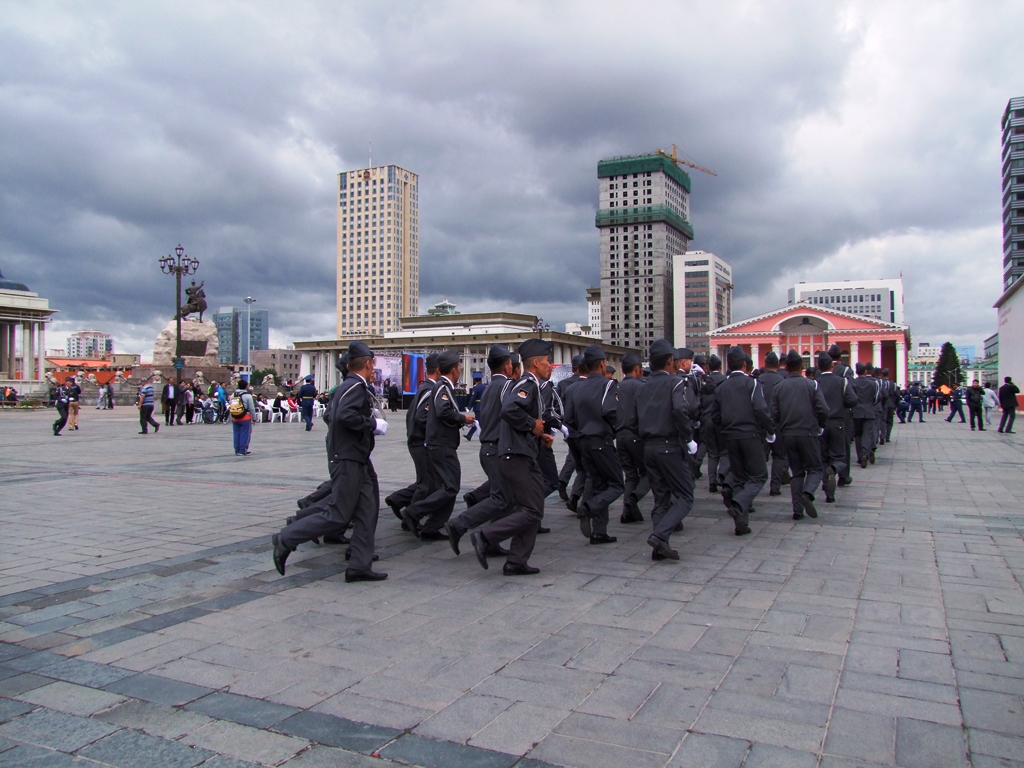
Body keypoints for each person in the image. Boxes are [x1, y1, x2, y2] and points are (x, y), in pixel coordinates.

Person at [273, 340, 389, 582]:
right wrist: (372, 424)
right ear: (368, 364)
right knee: (339, 514)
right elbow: (343, 415)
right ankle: (287, 537)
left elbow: (332, 415)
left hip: (356, 456)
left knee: (368, 509)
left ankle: (359, 564)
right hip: (347, 458)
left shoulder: (349, 386)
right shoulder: (355, 386)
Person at [469, 338, 554, 576]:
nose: (550, 365)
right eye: (547, 361)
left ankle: (516, 561)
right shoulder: (526, 383)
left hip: (523, 452)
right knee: (532, 510)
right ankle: (485, 536)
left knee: (533, 508)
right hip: (516, 456)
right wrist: (532, 424)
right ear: (536, 363)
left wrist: (538, 434)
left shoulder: (530, 384)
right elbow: (510, 410)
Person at [446, 345, 518, 557]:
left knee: (506, 498)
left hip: (488, 448)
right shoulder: (506, 387)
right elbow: (512, 413)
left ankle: (492, 540)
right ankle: (459, 524)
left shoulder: (486, 388)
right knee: (502, 499)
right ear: (507, 366)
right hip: (497, 449)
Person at [633, 339, 696, 560]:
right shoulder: (675, 383)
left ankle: (659, 547)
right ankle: (660, 536)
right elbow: (680, 409)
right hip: (669, 445)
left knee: (661, 498)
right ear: (670, 361)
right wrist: (687, 437)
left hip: (648, 447)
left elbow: (634, 419)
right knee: (685, 496)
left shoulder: (642, 386)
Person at [402, 350, 475, 540]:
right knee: (450, 487)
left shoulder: (444, 386)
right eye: (459, 367)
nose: (460, 370)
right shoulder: (442, 387)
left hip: (443, 444)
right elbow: (442, 411)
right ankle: (414, 511)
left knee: (451, 487)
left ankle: (431, 528)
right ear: (453, 369)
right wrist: (462, 418)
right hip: (441, 444)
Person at [563, 344, 622, 545]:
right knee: (616, 484)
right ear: (603, 364)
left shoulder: (575, 388)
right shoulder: (608, 385)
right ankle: (588, 508)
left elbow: (568, 418)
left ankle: (599, 532)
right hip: (601, 441)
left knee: (598, 483)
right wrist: (615, 429)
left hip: (583, 443)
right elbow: (610, 411)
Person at [711, 346, 774, 536]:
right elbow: (761, 409)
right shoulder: (752, 384)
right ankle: (738, 504)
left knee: (739, 479)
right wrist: (769, 430)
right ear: (745, 364)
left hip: (731, 437)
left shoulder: (721, 387)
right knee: (759, 475)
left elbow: (715, 416)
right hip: (750, 434)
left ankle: (741, 522)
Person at [769, 351, 830, 520]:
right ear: (802, 367)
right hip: (808, 432)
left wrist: (780, 427)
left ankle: (797, 510)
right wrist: (821, 425)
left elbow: (773, 414)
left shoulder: (779, 387)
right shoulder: (812, 385)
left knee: (797, 472)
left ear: (786, 367)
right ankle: (808, 493)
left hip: (788, 434)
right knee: (815, 469)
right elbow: (823, 409)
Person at [385, 354, 439, 521]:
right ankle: (411, 517)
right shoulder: (430, 389)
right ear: (438, 370)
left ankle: (398, 499)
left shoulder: (423, 388)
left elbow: (411, 414)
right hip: (421, 442)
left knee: (425, 480)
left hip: (416, 440)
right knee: (427, 484)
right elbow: (421, 417)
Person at [815, 352, 857, 503]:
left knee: (824, 458)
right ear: (833, 366)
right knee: (839, 456)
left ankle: (828, 492)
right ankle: (834, 470)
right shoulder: (842, 381)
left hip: (821, 424)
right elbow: (853, 400)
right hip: (838, 423)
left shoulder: (815, 382)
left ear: (818, 367)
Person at [615, 352, 649, 524]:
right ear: (637, 369)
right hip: (636, 436)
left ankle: (628, 513)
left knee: (630, 475)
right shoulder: (641, 387)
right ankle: (633, 498)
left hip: (620, 437)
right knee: (648, 472)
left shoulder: (617, 387)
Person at [757, 352, 790, 496]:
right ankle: (775, 486)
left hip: (761, 423)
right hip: (779, 423)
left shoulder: (757, 380)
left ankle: (756, 482)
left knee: (760, 457)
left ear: (765, 364)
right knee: (779, 456)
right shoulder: (784, 380)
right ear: (777, 364)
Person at [556, 355, 586, 507]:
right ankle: (580, 497)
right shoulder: (588, 384)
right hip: (585, 428)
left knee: (573, 457)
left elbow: (559, 407)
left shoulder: (563, 384)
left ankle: (563, 481)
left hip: (569, 428)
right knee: (585, 464)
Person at [701, 354, 728, 493]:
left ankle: (711, 482)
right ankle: (722, 476)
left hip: (707, 418)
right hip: (721, 419)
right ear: (720, 366)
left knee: (712, 453)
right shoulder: (725, 381)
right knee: (724, 450)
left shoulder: (704, 382)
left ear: (709, 368)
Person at [852, 363, 880, 468]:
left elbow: (851, 397)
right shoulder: (873, 383)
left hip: (856, 412)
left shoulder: (853, 383)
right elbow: (878, 397)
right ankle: (865, 453)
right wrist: (871, 404)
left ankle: (860, 456)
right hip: (869, 411)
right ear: (865, 372)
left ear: (856, 372)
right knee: (867, 434)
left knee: (858, 435)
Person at [230, 380, 256, 456]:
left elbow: (230, 404)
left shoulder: (233, 394)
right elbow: (251, 408)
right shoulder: (248, 395)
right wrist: (254, 418)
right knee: (244, 434)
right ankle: (243, 450)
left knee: (236, 433)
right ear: (246, 386)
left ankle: (237, 450)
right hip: (245, 417)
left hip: (235, 416)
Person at [465, 371, 485, 441]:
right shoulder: (484, 387)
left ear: (474, 380)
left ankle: (485, 435)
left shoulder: (476, 388)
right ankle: (469, 435)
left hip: (477, 406)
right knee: (477, 421)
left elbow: (473, 398)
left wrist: (469, 407)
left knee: (479, 422)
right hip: (483, 406)